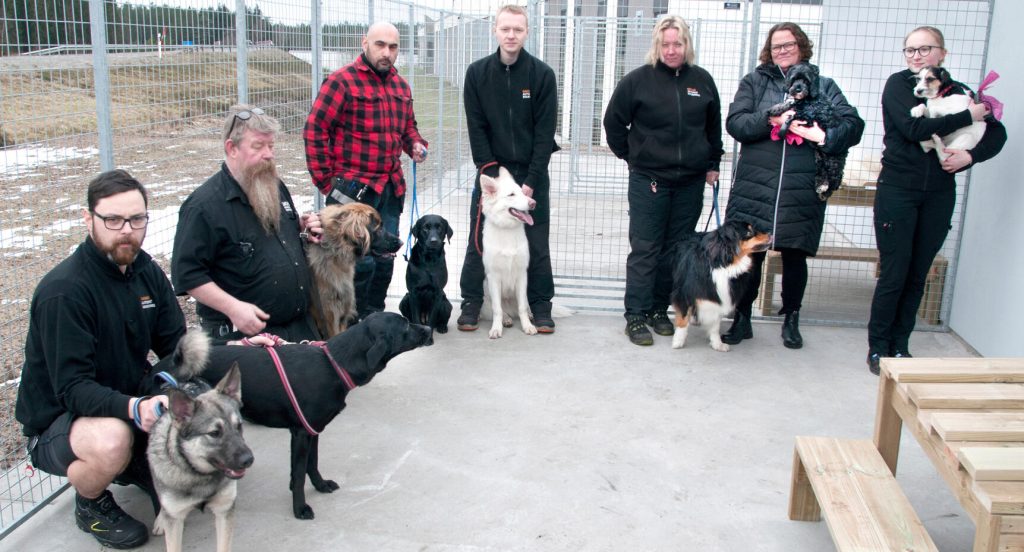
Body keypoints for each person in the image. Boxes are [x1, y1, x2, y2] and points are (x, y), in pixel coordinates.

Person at [15, 170, 185, 549]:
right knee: (112, 440)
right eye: (113, 219)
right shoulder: (66, 292)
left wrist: (224, 358)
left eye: (137, 219)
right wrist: (136, 407)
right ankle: (91, 502)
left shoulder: (145, 270)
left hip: (122, 397)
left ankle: (136, 461)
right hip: (61, 420)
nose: (127, 230)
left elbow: (177, 346)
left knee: (196, 391)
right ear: (88, 219)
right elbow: (73, 390)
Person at [866, 26, 1006, 374]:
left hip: (938, 194)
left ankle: (901, 346)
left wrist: (970, 157)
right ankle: (878, 348)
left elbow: (996, 132)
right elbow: (913, 131)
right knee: (895, 272)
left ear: (942, 54)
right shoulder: (899, 86)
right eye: (909, 50)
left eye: (924, 48)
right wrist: (967, 117)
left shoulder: (958, 91)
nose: (915, 55)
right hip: (898, 189)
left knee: (918, 274)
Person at [722, 22, 864, 350]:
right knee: (750, 254)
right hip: (756, 186)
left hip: (801, 186)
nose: (782, 51)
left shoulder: (824, 85)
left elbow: (853, 125)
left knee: (795, 255)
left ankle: (791, 319)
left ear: (801, 46)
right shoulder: (754, 83)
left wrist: (824, 136)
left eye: (788, 45)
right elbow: (736, 123)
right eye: (776, 46)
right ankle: (742, 317)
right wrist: (769, 120)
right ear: (768, 52)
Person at [603, 15, 724, 346]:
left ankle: (659, 310)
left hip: (690, 183)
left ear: (687, 45)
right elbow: (613, 123)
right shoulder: (638, 81)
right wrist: (634, 157)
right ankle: (636, 315)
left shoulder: (702, 81)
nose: (672, 50)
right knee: (646, 249)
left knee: (675, 251)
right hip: (649, 182)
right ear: (657, 46)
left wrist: (712, 162)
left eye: (678, 44)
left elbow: (713, 128)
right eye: (666, 44)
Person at [304, 21, 428, 319]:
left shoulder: (401, 86)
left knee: (385, 259)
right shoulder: (341, 81)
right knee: (360, 263)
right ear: (365, 44)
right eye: (380, 45)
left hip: (390, 188)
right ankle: (350, 322)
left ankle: (375, 317)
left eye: (393, 47)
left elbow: (408, 128)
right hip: (351, 193)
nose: (387, 52)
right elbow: (315, 129)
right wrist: (325, 183)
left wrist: (415, 144)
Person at [173, 105, 323, 344]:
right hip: (243, 338)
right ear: (231, 148)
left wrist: (303, 229)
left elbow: (280, 240)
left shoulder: (273, 185)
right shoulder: (203, 207)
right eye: (258, 146)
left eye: (271, 146)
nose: (269, 154)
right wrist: (233, 308)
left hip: (298, 328)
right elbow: (187, 275)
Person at [456, 4, 559, 333]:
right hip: (493, 173)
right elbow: (477, 128)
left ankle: (541, 304)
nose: (511, 34)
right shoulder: (477, 74)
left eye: (517, 29)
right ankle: (472, 300)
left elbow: (545, 134)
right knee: (480, 238)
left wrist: (530, 180)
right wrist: (493, 176)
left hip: (531, 172)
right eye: (505, 29)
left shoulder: (542, 75)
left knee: (536, 239)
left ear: (527, 31)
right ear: (495, 30)